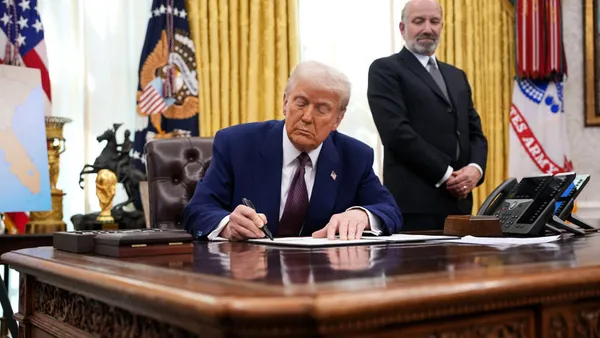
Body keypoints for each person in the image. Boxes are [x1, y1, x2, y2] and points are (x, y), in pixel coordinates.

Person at [182, 60, 403, 241]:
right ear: (285, 103)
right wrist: (228, 225)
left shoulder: (354, 156)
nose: (307, 117)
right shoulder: (237, 144)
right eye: (301, 103)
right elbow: (198, 210)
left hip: (322, 279)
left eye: (321, 109)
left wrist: (362, 215)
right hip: (250, 276)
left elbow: (389, 210)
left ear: (338, 119)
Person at [367, 0, 488, 231]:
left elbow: (475, 132)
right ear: (403, 29)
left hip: (460, 206)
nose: (427, 28)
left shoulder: (457, 76)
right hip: (413, 206)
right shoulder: (385, 70)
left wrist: (475, 169)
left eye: (434, 21)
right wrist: (447, 175)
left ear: (442, 26)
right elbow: (396, 133)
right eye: (418, 21)